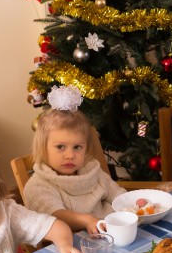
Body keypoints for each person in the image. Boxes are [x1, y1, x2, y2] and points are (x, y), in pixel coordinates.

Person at [24, 85, 127, 234]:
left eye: (77, 147)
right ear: (43, 147)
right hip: (73, 245)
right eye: (60, 147)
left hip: (111, 231)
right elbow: (55, 215)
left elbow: (117, 195)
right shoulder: (38, 185)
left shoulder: (92, 170)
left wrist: (133, 204)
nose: (70, 155)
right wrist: (86, 220)